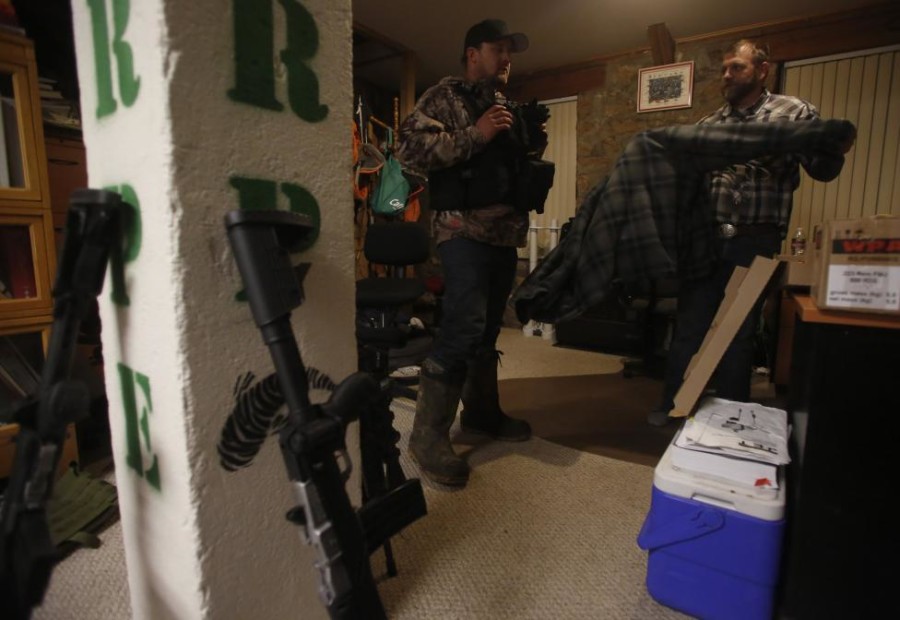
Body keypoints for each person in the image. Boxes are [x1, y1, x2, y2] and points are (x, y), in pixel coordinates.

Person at [647, 39, 856, 426]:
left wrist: (834, 142)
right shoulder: (709, 126)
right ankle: (671, 406)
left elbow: (824, 169)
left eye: (736, 67)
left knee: (738, 331)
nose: (727, 74)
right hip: (707, 241)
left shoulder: (793, 112)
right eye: (725, 68)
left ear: (763, 71)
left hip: (756, 240)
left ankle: (731, 415)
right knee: (691, 325)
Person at [395, 19, 545, 487]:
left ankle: (481, 414)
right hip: (461, 232)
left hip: (502, 236)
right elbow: (408, 151)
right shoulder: (445, 96)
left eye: (509, 52)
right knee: (462, 329)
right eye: (497, 49)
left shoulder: (506, 105)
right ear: (472, 54)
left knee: (485, 334)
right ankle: (426, 437)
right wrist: (476, 135)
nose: (506, 59)